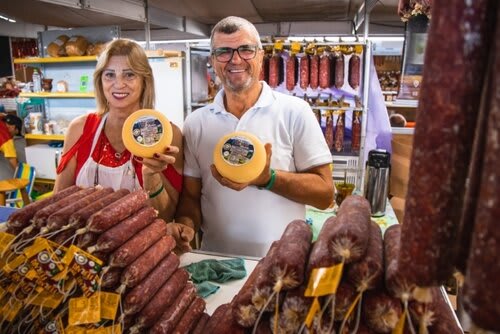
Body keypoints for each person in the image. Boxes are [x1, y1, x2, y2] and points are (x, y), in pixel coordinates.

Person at [173, 16, 334, 257]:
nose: (235, 60)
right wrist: (185, 226)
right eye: (224, 52)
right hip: (217, 261)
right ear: (213, 61)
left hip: (283, 263)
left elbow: (325, 194)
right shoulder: (196, 123)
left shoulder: (294, 111)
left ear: (260, 55)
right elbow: (191, 197)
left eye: (246, 50)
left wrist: (267, 179)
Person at [55, 39, 183, 221]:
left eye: (129, 75)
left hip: (141, 245)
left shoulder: (167, 134)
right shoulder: (80, 128)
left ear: (144, 80)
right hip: (82, 244)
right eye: (109, 75)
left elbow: (167, 215)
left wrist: (151, 177)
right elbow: (58, 200)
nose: (119, 84)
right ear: (100, 81)